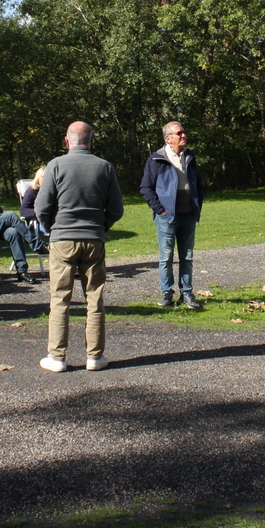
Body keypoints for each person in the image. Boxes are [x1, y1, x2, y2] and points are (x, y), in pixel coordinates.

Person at [34, 121, 124, 372]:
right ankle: (95, 356)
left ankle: (57, 357)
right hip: (93, 238)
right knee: (94, 298)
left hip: (62, 238)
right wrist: (101, 227)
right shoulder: (104, 167)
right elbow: (116, 209)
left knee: (60, 298)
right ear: (91, 140)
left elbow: (41, 207)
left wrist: (52, 227)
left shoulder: (55, 165)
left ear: (67, 141)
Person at [140, 121, 205, 309]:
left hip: (188, 215)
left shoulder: (190, 156)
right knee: (166, 257)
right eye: (179, 133)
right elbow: (145, 187)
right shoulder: (156, 159)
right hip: (166, 217)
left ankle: (187, 293)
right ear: (168, 138)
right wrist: (160, 209)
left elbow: (198, 183)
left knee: (187, 257)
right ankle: (167, 292)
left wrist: (197, 202)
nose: (184, 135)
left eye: (184, 132)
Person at [20, 166, 49, 246]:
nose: (47, 179)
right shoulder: (32, 191)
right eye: (44, 177)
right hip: (39, 222)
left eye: (49, 177)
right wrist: (40, 212)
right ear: (38, 178)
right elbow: (24, 211)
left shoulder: (54, 191)